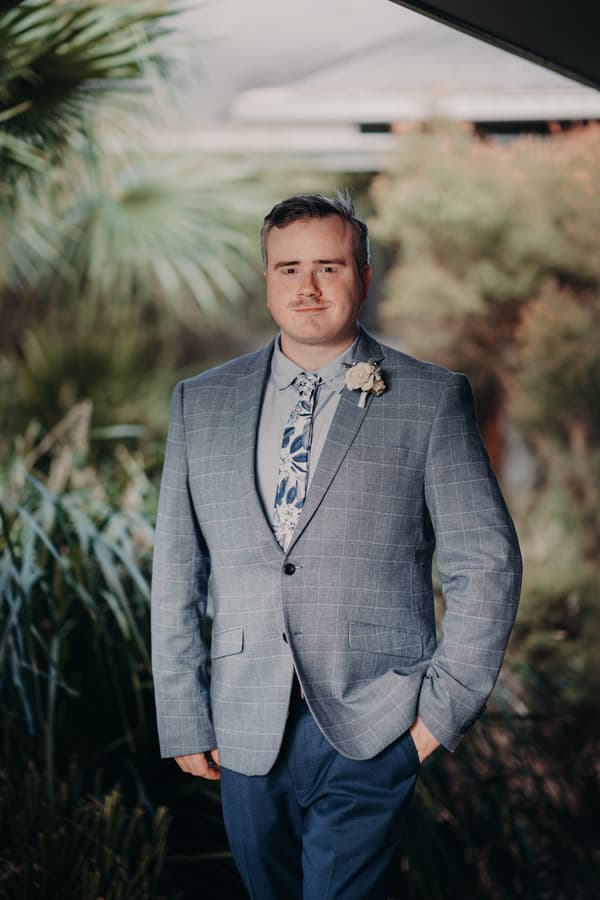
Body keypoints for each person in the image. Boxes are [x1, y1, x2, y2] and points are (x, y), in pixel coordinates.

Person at [151, 192, 522, 900]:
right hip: (244, 725)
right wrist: (185, 715)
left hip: (375, 721)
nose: (308, 287)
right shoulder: (201, 402)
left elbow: (487, 563)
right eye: (288, 268)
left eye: (329, 265)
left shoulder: (429, 397)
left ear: (365, 276)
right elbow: (176, 571)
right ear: (266, 277)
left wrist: (437, 715)